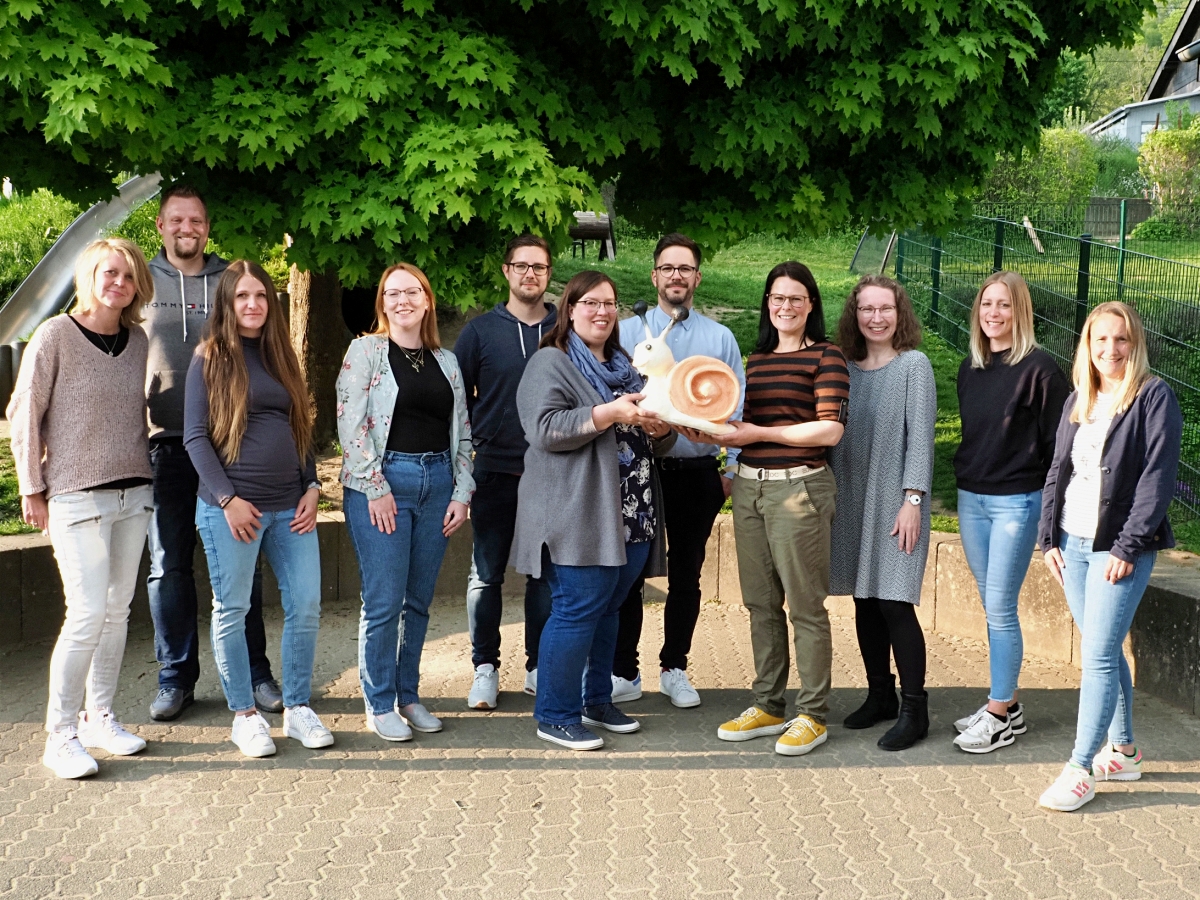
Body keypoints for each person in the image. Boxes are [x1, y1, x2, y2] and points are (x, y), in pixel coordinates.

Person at [510, 270, 675, 750]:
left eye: (609, 303)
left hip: (632, 511)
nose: (602, 311)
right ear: (570, 309)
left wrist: (662, 431)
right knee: (577, 609)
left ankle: (595, 700)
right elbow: (544, 429)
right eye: (590, 303)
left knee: (609, 610)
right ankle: (555, 714)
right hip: (577, 512)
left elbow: (649, 436)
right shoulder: (551, 362)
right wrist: (610, 413)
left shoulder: (626, 364)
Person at [9, 238, 155, 779]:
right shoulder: (55, 336)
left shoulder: (137, 341)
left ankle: (101, 718)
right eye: (109, 272)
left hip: (134, 493)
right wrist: (32, 486)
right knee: (87, 613)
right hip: (74, 495)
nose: (119, 282)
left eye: (128, 275)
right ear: (90, 275)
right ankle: (60, 734)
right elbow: (24, 412)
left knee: (117, 613)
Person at [687, 262, 846, 756]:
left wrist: (758, 435)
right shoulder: (755, 361)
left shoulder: (827, 356)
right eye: (777, 298)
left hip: (799, 489)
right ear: (768, 304)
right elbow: (738, 426)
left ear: (811, 305)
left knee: (805, 607)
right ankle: (769, 703)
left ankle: (813, 713)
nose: (785, 307)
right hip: (750, 489)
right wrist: (700, 431)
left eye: (796, 298)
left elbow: (828, 430)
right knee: (760, 604)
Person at [1037, 301, 1181, 812]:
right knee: (1105, 648)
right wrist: (1047, 538)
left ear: (1135, 343)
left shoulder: (1153, 396)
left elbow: (1157, 480)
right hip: (1072, 545)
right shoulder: (1081, 397)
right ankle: (1123, 752)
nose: (1110, 350)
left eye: (1120, 340)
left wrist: (1129, 544)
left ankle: (1080, 767)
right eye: (1101, 340)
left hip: (1118, 549)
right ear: (1088, 345)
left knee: (1097, 655)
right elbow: (1059, 469)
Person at [185, 260, 332, 758]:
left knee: (306, 606)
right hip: (234, 511)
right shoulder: (209, 357)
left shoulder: (281, 355)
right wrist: (228, 500)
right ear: (226, 303)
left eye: (261, 296)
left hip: (292, 510)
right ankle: (244, 715)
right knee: (232, 610)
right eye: (242, 296)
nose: (253, 304)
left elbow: (300, 428)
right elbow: (195, 438)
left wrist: (312, 484)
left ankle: (296, 707)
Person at [144, 184, 280, 722]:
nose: (187, 229)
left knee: (240, 571)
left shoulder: (231, 281)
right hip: (163, 445)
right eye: (176, 220)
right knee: (168, 565)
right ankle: (176, 678)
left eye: (196, 220)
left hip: (230, 445)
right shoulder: (139, 280)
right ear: (160, 225)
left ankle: (256, 674)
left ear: (207, 226)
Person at [337, 263, 474, 742]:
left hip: (437, 483)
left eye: (412, 292)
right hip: (384, 481)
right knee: (383, 601)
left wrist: (461, 492)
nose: (403, 301)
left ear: (427, 299)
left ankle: (408, 694)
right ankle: (378, 702)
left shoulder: (447, 361)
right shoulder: (366, 351)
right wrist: (375, 488)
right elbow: (350, 426)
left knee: (418, 602)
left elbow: (462, 433)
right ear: (382, 302)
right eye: (392, 293)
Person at [612, 232, 745, 708]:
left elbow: (737, 406)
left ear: (697, 278)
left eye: (684, 269)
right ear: (654, 275)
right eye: (667, 268)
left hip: (694, 472)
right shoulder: (625, 333)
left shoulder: (718, 338)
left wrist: (731, 469)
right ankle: (622, 670)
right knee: (628, 572)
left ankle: (675, 666)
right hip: (634, 472)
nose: (675, 276)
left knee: (687, 574)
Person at [951, 272, 1069, 754]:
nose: (993, 314)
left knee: (1000, 610)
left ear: (1021, 312)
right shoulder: (969, 367)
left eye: (1003, 306)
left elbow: (1061, 448)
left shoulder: (1041, 370)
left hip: (1017, 503)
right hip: (971, 498)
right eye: (986, 305)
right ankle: (1010, 706)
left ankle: (998, 713)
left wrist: (1050, 516)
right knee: (991, 605)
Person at [830, 275, 937, 752]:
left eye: (885, 309)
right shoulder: (844, 368)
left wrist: (913, 499)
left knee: (895, 602)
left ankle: (915, 708)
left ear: (900, 314)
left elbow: (922, 438)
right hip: (851, 495)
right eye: (867, 309)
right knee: (864, 599)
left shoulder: (914, 366)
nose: (876, 317)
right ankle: (880, 695)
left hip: (897, 502)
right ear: (855, 314)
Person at [454, 234, 556, 709]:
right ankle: (484, 668)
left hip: (553, 471)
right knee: (486, 574)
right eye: (521, 266)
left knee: (545, 576)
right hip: (494, 469)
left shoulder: (564, 329)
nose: (530, 274)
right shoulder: (479, 332)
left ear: (549, 274)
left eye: (539, 266)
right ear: (506, 271)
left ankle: (538, 666)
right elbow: (458, 401)